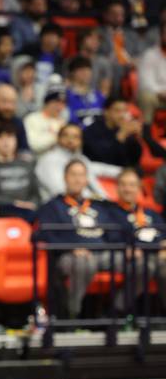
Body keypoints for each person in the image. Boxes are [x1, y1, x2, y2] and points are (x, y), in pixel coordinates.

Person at [37, 159, 120, 318]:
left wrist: (126, 248)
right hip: (70, 256)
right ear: (65, 178)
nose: (77, 179)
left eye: (81, 175)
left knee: (142, 263)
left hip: (102, 254)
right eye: (73, 174)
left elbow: (114, 233)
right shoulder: (53, 206)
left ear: (87, 179)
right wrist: (71, 248)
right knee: (85, 263)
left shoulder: (99, 206)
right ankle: (72, 313)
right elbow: (45, 234)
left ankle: (118, 312)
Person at [108, 168, 166, 309]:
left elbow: (163, 235)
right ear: (117, 187)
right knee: (146, 266)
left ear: (139, 188)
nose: (128, 189)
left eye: (132, 185)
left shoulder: (151, 214)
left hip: (155, 257)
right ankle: (117, 310)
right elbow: (112, 238)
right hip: (128, 258)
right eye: (124, 184)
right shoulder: (109, 212)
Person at [35, 123, 118, 201]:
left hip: (86, 205)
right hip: (59, 208)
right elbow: (60, 190)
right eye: (65, 135)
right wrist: (97, 200)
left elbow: (102, 169)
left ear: (81, 141)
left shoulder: (80, 159)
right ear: (58, 138)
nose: (70, 140)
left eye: (75, 137)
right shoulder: (49, 160)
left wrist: (127, 172)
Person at [0, 122, 39, 223]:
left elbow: (35, 193)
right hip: (2, 211)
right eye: (0, 137)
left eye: (10, 137)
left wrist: (31, 204)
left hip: (28, 211)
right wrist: (15, 203)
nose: (6, 142)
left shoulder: (27, 164)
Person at [82, 97, 142, 168]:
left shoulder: (125, 129)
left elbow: (134, 160)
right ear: (106, 112)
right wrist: (120, 137)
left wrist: (137, 138)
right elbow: (103, 158)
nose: (122, 115)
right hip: (99, 169)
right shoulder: (92, 130)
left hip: (123, 172)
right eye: (117, 111)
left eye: (125, 111)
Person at [67, 28, 113, 98]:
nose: (95, 42)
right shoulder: (70, 61)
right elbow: (67, 84)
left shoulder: (104, 63)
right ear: (81, 40)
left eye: (98, 40)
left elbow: (105, 90)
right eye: (91, 38)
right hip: (74, 98)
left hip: (96, 101)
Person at [24, 84, 68, 154]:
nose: (60, 106)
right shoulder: (32, 119)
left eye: (63, 103)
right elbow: (32, 144)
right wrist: (57, 138)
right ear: (47, 102)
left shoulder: (63, 122)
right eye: (57, 102)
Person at [137, 22, 166, 125]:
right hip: (157, 96)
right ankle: (146, 131)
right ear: (161, 35)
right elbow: (145, 81)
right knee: (146, 97)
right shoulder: (150, 54)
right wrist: (160, 92)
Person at [66, 56, 105, 129]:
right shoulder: (67, 94)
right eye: (81, 70)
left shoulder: (98, 94)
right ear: (72, 73)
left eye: (88, 70)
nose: (86, 73)